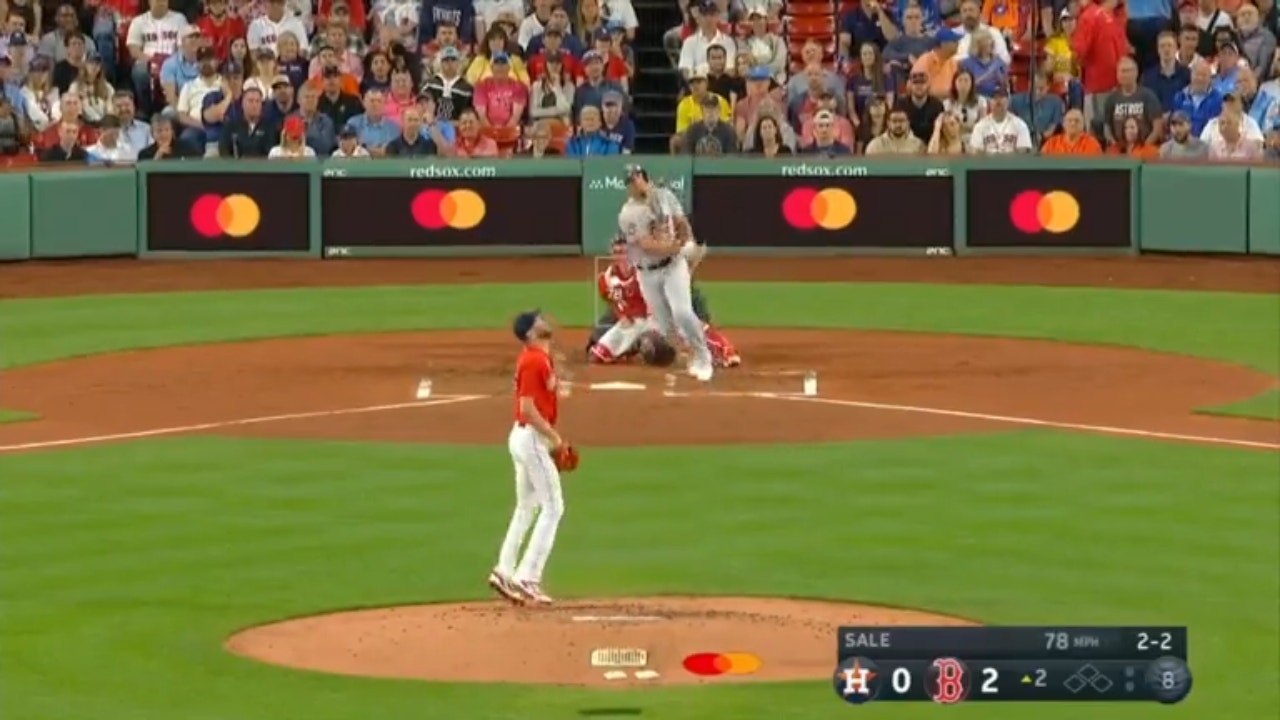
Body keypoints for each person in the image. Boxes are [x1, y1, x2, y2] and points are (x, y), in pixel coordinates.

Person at [487, 310, 567, 607]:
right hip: (531, 438)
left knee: (527, 507)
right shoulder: (534, 360)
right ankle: (528, 577)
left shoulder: (537, 358)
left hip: (523, 438)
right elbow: (528, 408)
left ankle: (505, 570)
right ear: (531, 334)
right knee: (553, 506)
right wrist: (555, 439)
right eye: (538, 320)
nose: (545, 319)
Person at [617, 164, 714, 382]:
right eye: (630, 182)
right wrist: (680, 248)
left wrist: (688, 241)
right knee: (665, 326)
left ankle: (703, 356)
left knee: (682, 311)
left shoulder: (666, 197)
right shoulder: (628, 214)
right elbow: (646, 244)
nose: (634, 184)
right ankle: (688, 356)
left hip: (672, 266)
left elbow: (681, 222)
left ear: (644, 177)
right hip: (647, 272)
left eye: (637, 178)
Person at [589, 236, 740, 367]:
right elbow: (609, 297)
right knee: (598, 356)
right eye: (617, 252)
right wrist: (621, 316)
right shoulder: (606, 278)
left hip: (658, 315)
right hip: (635, 322)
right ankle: (628, 350)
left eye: (624, 252)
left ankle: (724, 350)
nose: (621, 256)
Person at [968, 87, 1033, 153]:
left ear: (1008, 101)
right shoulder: (980, 126)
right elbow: (976, 153)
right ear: (990, 102)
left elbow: (1023, 152)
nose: (998, 100)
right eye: (994, 98)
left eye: (1001, 97)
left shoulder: (1020, 125)